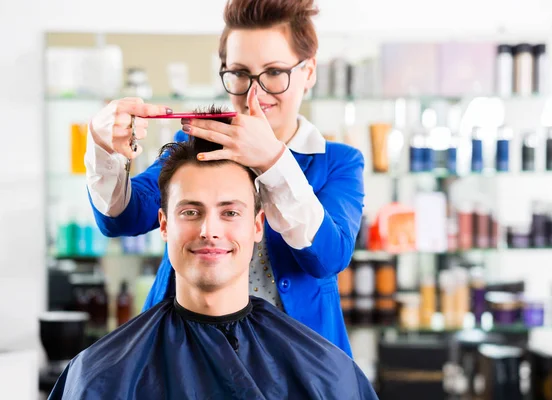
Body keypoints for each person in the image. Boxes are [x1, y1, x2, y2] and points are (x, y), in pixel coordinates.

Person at [85, 0, 364, 357]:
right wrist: (103, 147)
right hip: (184, 352)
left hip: (297, 360)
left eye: (275, 72)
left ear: (308, 72)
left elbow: (327, 257)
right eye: (240, 74)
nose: (255, 93)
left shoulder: (339, 162)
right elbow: (122, 218)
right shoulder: (199, 145)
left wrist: (272, 161)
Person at [50, 134, 377, 400]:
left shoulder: (326, 376)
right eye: (191, 212)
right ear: (163, 225)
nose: (209, 230)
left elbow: (329, 254)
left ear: (257, 225)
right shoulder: (99, 376)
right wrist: (103, 148)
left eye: (230, 212)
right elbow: (122, 211)